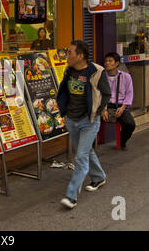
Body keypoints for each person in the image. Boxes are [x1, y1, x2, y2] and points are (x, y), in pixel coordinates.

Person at [56, 41, 111, 209]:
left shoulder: (96, 72)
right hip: (71, 119)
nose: (67, 55)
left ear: (80, 55)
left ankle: (71, 196)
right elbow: (64, 91)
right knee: (86, 151)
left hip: (89, 121)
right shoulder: (69, 70)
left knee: (80, 157)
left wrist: (98, 110)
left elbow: (107, 94)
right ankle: (99, 177)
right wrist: (64, 111)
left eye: (70, 52)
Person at [101, 52, 136, 150]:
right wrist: (103, 109)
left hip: (120, 106)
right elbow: (99, 94)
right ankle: (93, 145)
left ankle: (122, 141)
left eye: (110, 61)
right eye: (106, 61)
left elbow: (129, 93)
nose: (107, 63)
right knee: (92, 122)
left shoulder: (126, 77)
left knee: (130, 124)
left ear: (117, 63)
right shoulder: (102, 77)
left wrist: (122, 108)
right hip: (105, 105)